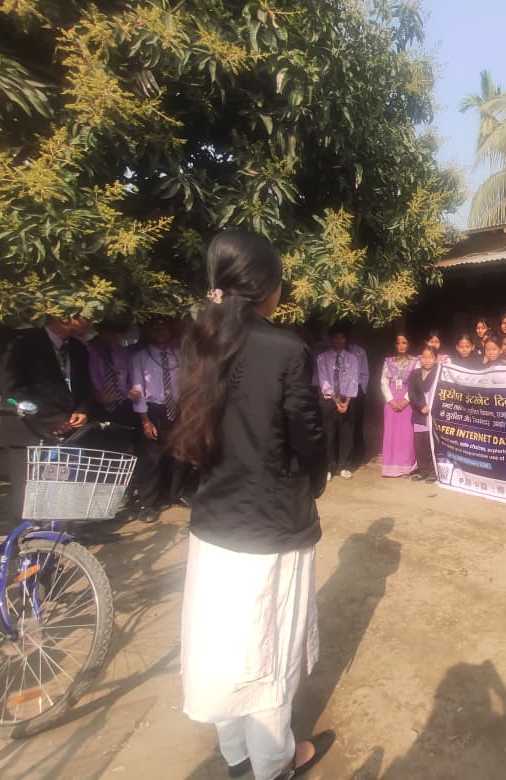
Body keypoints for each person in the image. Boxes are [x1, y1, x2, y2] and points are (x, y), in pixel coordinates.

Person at [174, 230, 334, 780]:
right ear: (267, 287)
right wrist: (316, 481)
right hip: (271, 525)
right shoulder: (285, 349)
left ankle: (237, 756)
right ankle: (275, 762)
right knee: (268, 646)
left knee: (225, 643)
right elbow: (307, 433)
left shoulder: (199, 342)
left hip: (214, 525)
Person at [0, 313, 95, 519]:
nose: (89, 322)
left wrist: (83, 410)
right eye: (84, 316)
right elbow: (12, 390)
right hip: (28, 430)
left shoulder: (78, 348)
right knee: (28, 495)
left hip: (67, 429)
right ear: (64, 317)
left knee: (61, 488)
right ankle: (29, 536)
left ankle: (60, 534)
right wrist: (53, 419)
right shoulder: (22, 342)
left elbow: (85, 386)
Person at [130, 317, 189, 521]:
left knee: (180, 453)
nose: (160, 332)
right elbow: (138, 389)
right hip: (152, 410)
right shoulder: (139, 358)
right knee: (152, 458)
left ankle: (176, 494)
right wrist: (145, 420)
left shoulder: (179, 355)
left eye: (163, 328)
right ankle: (149, 503)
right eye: (155, 328)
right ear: (148, 332)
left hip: (177, 409)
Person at [314, 327, 359, 480]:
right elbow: (324, 380)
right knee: (329, 434)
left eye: (342, 337)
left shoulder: (352, 359)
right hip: (329, 400)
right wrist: (336, 401)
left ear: (346, 340)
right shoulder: (322, 358)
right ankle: (329, 467)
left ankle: (344, 466)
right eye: (336, 337)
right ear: (331, 339)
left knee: (346, 433)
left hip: (347, 399)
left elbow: (354, 380)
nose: (339, 341)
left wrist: (346, 402)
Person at [87, 320, 137, 453]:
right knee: (96, 450)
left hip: (121, 407)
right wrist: (94, 394)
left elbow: (129, 378)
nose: (117, 336)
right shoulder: (86, 350)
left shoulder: (124, 353)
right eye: (113, 332)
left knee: (120, 450)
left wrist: (130, 391)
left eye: (121, 333)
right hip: (95, 409)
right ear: (99, 329)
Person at [381, 334, 418, 478]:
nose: (401, 345)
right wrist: (391, 400)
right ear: (395, 345)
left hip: (407, 401)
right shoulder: (388, 361)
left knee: (407, 434)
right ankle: (390, 467)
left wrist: (405, 401)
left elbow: (416, 383)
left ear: (409, 344)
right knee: (391, 433)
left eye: (404, 342)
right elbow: (383, 382)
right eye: (398, 343)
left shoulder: (415, 362)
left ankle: (407, 466)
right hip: (391, 401)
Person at [408, 346, 439, 483]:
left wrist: (431, 407)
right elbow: (411, 393)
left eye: (430, 357)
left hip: (434, 414)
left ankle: (433, 471)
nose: (426, 360)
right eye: (424, 357)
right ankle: (423, 470)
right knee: (420, 443)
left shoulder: (439, 372)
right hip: (419, 413)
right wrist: (421, 406)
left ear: (435, 359)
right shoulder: (415, 373)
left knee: (431, 443)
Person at [348, 337, 370, 470]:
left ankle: (358, 457)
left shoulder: (359, 351)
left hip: (357, 392)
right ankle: (344, 459)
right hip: (339, 393)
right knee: (343, 426)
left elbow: (364, 373)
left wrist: (362, 391)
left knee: (357, 425)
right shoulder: (330, 352)